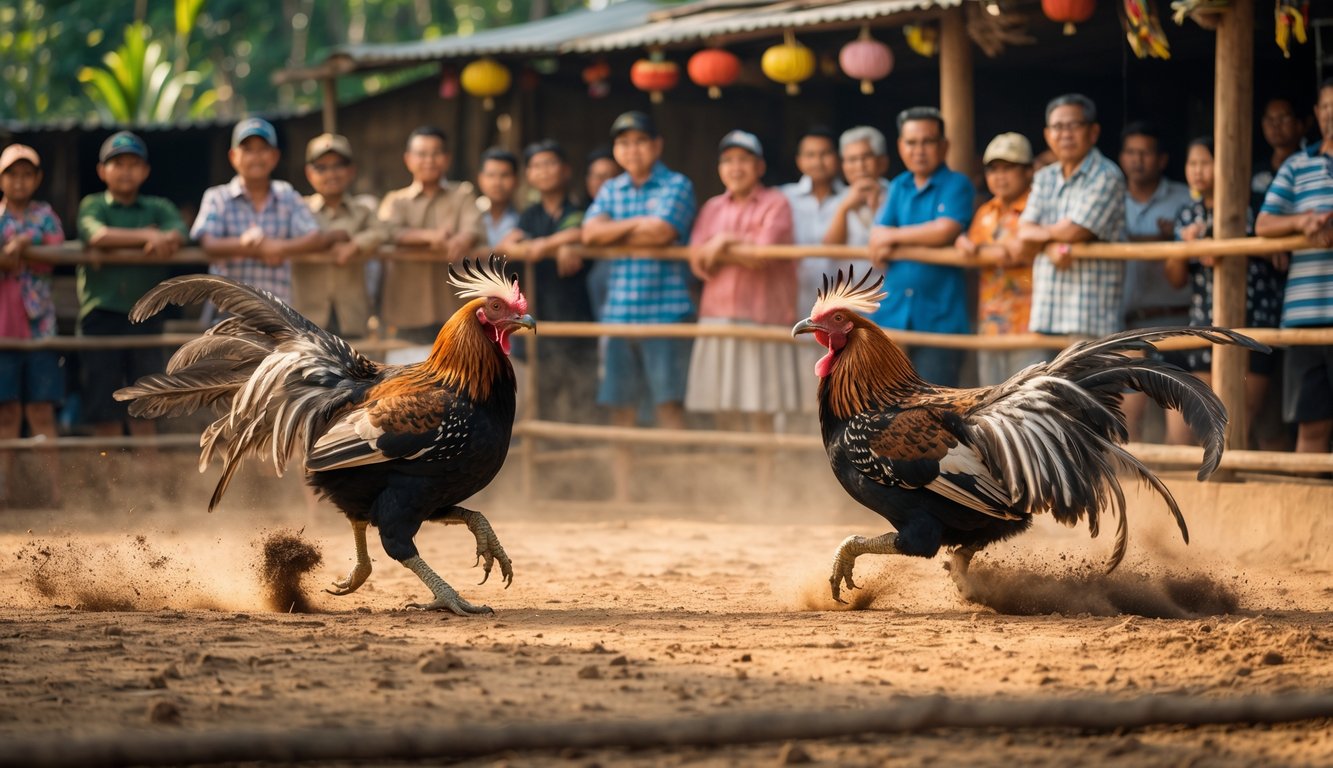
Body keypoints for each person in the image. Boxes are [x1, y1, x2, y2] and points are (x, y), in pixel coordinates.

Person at [582, 111, 696, 496]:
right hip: (618, 315)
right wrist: (636, 225)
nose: (632, 149)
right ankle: (623, 494)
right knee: (621, 408)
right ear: (616, 149)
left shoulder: (677, 184)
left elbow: (663, 232)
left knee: (669, 406)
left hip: (666, 313)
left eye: (640, 141)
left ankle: (677, 491)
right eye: (624, 142)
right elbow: (589, 234)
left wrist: (615, 231)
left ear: (657, 145)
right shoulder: (611, 188)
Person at [1165, 136, 1283, 447]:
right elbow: (1175, 279)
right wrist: (1185, 248)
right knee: (1204, 420)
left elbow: (1279, 258)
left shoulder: (1254, 205)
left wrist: (1225, 245)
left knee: (1240, 419)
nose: (1198, 170)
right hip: (1205, 324)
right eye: (1192, 163)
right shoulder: (1188, 214)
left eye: (1206, 163)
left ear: (1226, 165)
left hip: (1253, 320)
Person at [76, 131, 187, 446]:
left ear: (145, 171)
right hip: (101, 316)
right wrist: (148, 236)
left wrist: (164, 237)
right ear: (102, 171)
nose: (125, 171)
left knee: (146, 405)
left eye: (133, 164)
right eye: (118, 163)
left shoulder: (158, 206)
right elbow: (96, 235)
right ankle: (109, 475)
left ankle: (147, 476)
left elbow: (179, 231)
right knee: (104, 407)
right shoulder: (93, 204)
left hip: (146, 316)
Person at [685, 130, 799, 432]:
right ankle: (730, 462)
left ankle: (764, 466)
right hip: (718, 315)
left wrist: (723, 242)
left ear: (760, 166)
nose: (735, 168)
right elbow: (698, 260)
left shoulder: (777, 203)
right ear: (720, 168)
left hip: (763, 316)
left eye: (744, 160)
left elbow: (764, 252)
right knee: (723, 405)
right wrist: (738, 249)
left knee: (762, 407)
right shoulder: (712, 207)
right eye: (728, 161)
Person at [866, 106, 975, 386]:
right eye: (911, 142)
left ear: (944, 146)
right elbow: (877, 235)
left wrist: (894, 236)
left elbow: (945, 230)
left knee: (934, 402)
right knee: (888, 400)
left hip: (940, 319)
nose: (919, 150)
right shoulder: (898, 185)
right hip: (893, 314)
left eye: (928, 142)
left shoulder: (957, 184)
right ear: (900, 146)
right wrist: (888, 237)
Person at [1255, 78, 1333, 455]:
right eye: (1327, 106)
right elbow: (1263, 224)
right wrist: (1302, 222)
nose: (1331, 114)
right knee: (1312, 427)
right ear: (1316, 113)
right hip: (1306, 317)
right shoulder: (1297, 166)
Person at [1010, 94, 1128, 341]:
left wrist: (1044, 237)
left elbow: (1075, 231)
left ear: (1093, 132)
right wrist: (1051, 244)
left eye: (1074, 125)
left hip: (1090, 318)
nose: (1065, 134)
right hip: (1046, 314)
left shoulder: (1107, 175)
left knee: (1089, 370)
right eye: (1058, 127)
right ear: (1047, 135)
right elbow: (1024, 231)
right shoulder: (1044, 177)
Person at [500, 139, 598, 422]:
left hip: (577, 313)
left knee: (583, 389)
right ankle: (545, 447)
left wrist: (548, 244)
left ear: (566, 170)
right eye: (536, 166)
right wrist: (552, 244)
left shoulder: (580, 207)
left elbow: (582, 230)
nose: (543, 170)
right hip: (540, 316)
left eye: (550, 163)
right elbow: (507, 244)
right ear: (528, 175)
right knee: (544, 391)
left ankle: (584, 444)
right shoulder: (529, 215)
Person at [192, 117, 328, 312]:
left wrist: (277, 247)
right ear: (233, 156)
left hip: (278, 311)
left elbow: (314, 237)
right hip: (228, 310)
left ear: (275, 156)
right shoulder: (217, 197)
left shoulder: (286, 194)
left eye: (263, 149)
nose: (256, 157)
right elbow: (209, 244)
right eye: (248, 149)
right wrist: (251, 247)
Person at [1118, 121, 1194, 442]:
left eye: (1145, 153)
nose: (1137, 160)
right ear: (1122, 157)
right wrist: (1161, 240)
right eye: (1131, 152)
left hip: (1177, 323)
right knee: (1126, 423)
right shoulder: (1112, 199)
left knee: (1179, 428)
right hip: (1126, 326)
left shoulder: (1184, 198)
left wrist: (1169, 241)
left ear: (1162, 159)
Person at [378, 126, 486, 343]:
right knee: (407, 360)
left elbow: (473, 227)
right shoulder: (396, 201)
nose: (429, 160)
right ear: (408, 159)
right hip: (407, 307)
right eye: (422, 154)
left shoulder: (462, 194)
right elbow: (386, 231)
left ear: (447, 159)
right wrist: (430, 237)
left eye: (436, 153)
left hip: (455, 306)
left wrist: (463, 239)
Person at [0, 144, 64, 507]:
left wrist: (24, 242)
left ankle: (54, 493)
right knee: (6, 414)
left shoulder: (44, 216)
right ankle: (4, 492)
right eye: (12, 174)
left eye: (27, 174)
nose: (19, 181)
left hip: (39, 327)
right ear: (1, 179)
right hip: (3, 330)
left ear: (37, 179)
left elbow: (56, 241)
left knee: (41, 411)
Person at [955, 132, 1043, 386]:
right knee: (993, 400)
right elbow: (974, 249)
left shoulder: (1038, 208)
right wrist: (963, 242)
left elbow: (1017, 252)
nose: (999, 176)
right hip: (990, 325)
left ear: (1029, 171)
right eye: (993, 169)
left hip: (1031, 327)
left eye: (1009, 168)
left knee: (1030, 400)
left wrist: (985, 251)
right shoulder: (985, 211)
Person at [781, 127, 847, 414]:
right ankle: (794, 432)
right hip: (796, 297)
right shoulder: (784, 197)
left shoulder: (851, 196)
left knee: (840, 369)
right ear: (799, 161)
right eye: (810, 155)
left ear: (837, 158)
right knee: (794, 370)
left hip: (841, 304)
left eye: (825, 154)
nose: (818, 161)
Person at [293, 133, 386, 338]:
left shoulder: (364, 210)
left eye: (338, 166)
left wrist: (355, 245)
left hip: (352, 317)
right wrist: (327, 240)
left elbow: (383, 231)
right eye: (322, 167)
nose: (331, 174)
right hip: (307, 318)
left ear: (351, 170)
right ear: (309, 173)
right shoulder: (299, 209)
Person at [823, 125, 890, 275]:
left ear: (882, 162)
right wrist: (844, 208)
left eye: (866, 157)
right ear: (843, 166)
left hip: (891, 286)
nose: (860, 166)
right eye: (852, 159)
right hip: (850, 288)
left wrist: (877, 207)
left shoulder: (897, 195)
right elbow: (829, 250)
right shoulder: (835, 199)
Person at [583, 146, 621, 321]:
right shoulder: (581, 210)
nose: (602, 183)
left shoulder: (627, 211)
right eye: (596, 176)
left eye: (608, 176)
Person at [1252, 96, 1309, 212]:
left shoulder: (1308, 167)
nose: (1276, 125)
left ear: (1299, 124)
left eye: (1283, 118)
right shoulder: (1255, 170)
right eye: (1270, 119)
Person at [477, 147, 520, 247]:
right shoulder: (469, 217)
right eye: (491, 175)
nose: (497, 183)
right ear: (480, 179)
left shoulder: (525, 220)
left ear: (516, 180)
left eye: (504, 175)